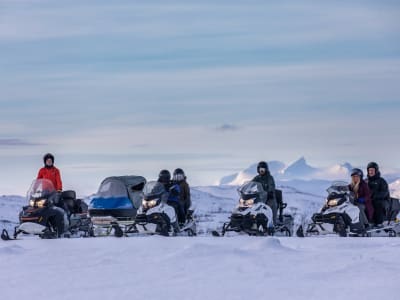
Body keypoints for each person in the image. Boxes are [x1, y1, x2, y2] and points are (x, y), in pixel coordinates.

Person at [36, 153, 67, 236]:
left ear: (52, 161)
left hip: (54, 192)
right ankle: (42, 226)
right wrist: (35, 189)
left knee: (57, 206)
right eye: (47, 161)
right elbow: (38, 180)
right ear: (45, 162)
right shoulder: (42, 170)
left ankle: (62, 223)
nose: (49, 162)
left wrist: (59, 189)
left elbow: (58, 180)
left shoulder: (56, 170)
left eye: (50, 161)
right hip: (44, 192)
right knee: (41, 208)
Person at [366, 162, 390, 227]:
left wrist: (374, 195)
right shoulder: (366, 181)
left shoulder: (381, 181)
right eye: (369, 170)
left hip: (383, 200)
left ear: (376, 171)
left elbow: (385, 192)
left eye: (372, 170)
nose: (370, 172)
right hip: (369, 199)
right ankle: (364, 221)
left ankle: (379, 222)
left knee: (377, 203)